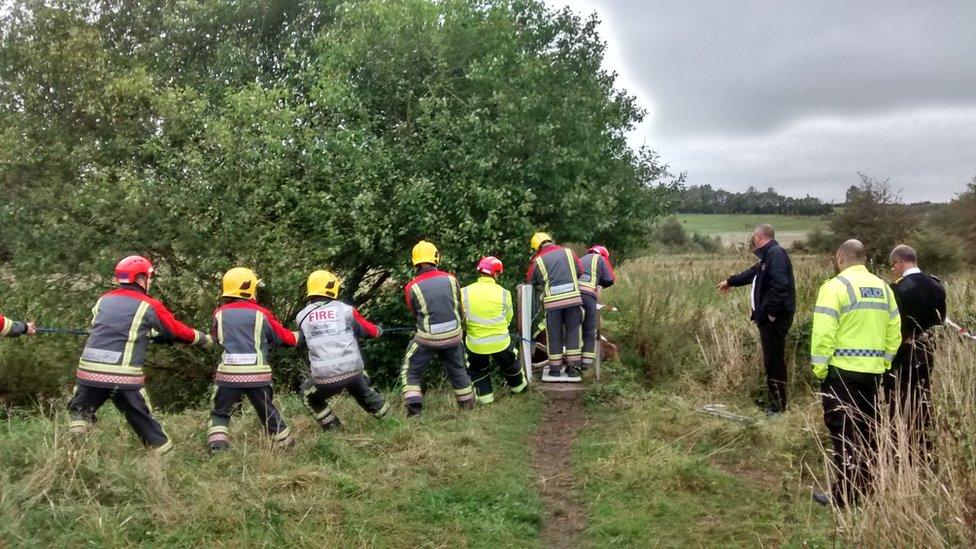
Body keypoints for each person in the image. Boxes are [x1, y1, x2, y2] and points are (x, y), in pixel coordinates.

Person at [68, 255, 212, 454]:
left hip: (89, 372)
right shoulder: (148, 305)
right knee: (143, 420)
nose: (150, 281)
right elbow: (175, 331)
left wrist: (148, 334)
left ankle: (75, 453)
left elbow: (107, 327)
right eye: (149, 277)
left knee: (80, 411)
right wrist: (203, 339)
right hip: (122, 376)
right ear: (141, 279)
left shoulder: (103, 300)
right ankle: (166, 458)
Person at [810, 240, 901, 508]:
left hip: (842, 374)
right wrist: (883, 364)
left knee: (843, 434)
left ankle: (845, 497)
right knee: (867, 433)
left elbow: (824, 333)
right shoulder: (884, 289)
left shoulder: (834, 287)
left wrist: (820, 369)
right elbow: (894, 333)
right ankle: (866, 490)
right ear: (864, 259)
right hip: (873, 375)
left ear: (840, 257)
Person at [207, 267, 298, 451]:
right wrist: (300, 336)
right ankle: (287, 447)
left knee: (220, 413)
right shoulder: (261, 313)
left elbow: (215, 339)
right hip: (258, 376)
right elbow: (283, 338)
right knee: (268, 412)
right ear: (248, 289)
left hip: (228, 375)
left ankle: (218, 448)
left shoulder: (219, 313)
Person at [717, 224, 796, 415]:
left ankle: (778, 407)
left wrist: (771, 313)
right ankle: (773, 403)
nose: (754, 240)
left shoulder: (776, 254)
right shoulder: (767, 256)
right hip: (768, 319)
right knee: (771, 360)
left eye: (755, 237)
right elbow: (751, 274)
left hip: (774, 319)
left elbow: (781, 285)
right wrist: (730, 281)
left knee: (774, 361)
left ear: (759, 237)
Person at [296, 270, 389, 430]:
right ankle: (389, 421)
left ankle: (334, 428)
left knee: (307, 395)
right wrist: (378, 330)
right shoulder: (346, 310)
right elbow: (370, 331)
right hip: (353, 372)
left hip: (325, 379)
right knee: (360, 388)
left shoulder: (302, 317)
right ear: (332, 289)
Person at [401, 240, 475, 417]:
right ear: (436, 257)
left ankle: (414, 411)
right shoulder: (451, 279)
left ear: (415, 261)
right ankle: (468, 407)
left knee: (410, 370)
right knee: (458, 369)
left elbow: (414, 311)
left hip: (427, 339)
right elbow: (460, 308)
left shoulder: (412, 286)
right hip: (454, 336)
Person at [886, 244, 946, 460]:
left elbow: (894, 324)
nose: (893, 270)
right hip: (928, 348)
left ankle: (901, 450)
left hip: (905, 349)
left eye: (893, 266)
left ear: (899, 262)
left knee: (899, 401)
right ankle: (926, 447)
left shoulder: (899, 289)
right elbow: (940, 319)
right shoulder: (936, 285)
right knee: (923, 396)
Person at [461, 256, 527, 404]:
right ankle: (520, 390)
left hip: (476, 344)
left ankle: (486, 400)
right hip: (501, 342)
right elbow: (508, 318)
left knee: (478, 370)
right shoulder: (504, 293)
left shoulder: (464, 292)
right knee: (510, 364)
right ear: (496, 274)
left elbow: (461, 317)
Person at [526, 232, 585, 383]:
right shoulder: (569, 252)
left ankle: (555, 370)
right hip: (573, 300)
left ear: (537, 247)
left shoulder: (538, 261)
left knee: (554, 335)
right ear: (549, 241)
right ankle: (573, 369)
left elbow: (530, 281)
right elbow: (580, 270)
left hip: (553, 304)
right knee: (573, 332)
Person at [579, 245, 616, 369]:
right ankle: (587, 364)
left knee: (574, 326)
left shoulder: (580, 258)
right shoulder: (600, 259)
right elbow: (609, 279)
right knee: (590, 328)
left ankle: (572, 361)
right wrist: (599, 284)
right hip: (588, 294)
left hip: (572, 294)